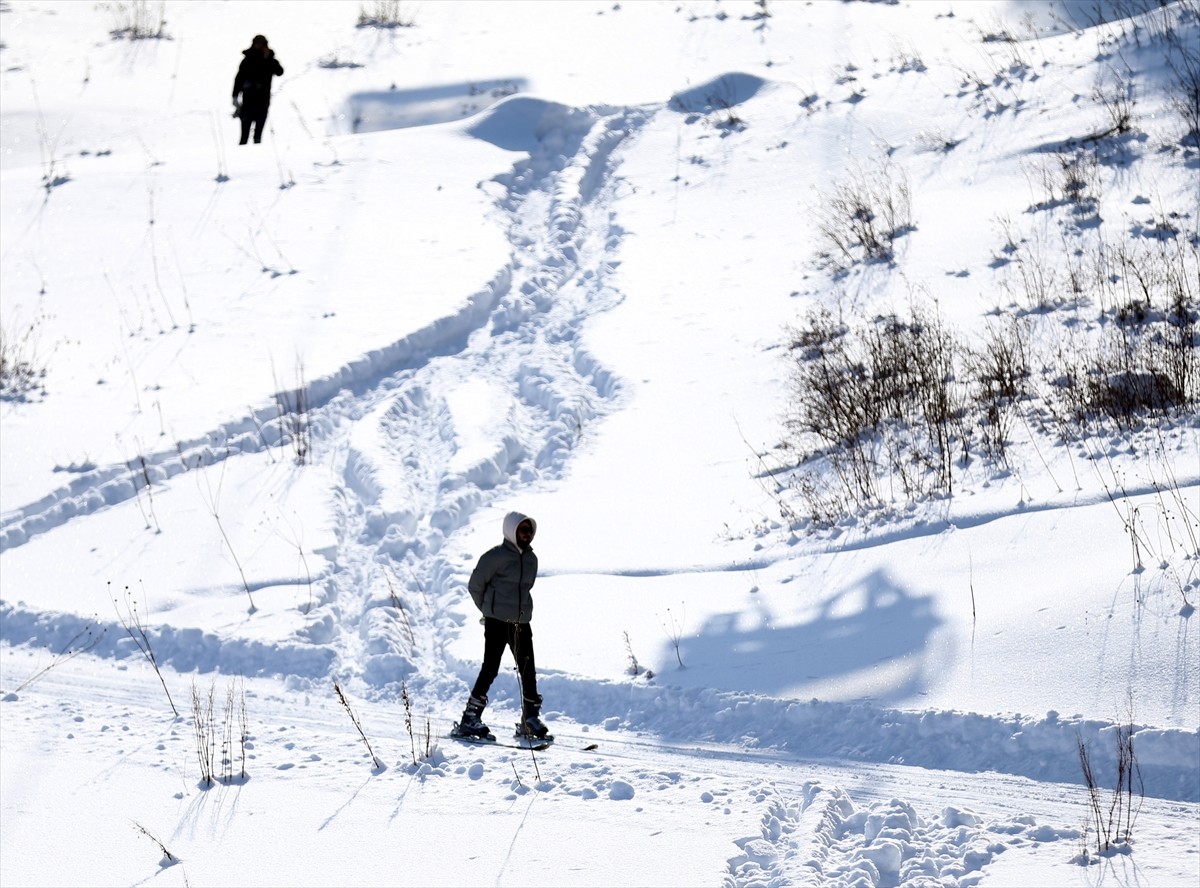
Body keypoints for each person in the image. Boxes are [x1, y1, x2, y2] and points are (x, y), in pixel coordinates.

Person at [455, 511, 551, 741]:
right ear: (511, 530)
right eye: (522, 529)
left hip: (522, 623)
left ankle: (529, 720)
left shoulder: (531, 559)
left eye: (530, 530)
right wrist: (489, 610)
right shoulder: (494, 557)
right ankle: (470, 718)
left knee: (528, 671)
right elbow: (475, 585)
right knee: (490, 669)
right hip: (497, 623)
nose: (527, 534)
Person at [232, 35, 283, 145]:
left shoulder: (270, 60)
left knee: (258, 137)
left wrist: (268, 58)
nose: (259, 46)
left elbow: (279, 72)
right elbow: (239, 79)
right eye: (257, 43)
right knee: (244, 137)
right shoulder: (247, 60)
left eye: (261, 44)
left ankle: (257, 158)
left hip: (263, 101)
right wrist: (235, 96)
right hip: (248, 101)